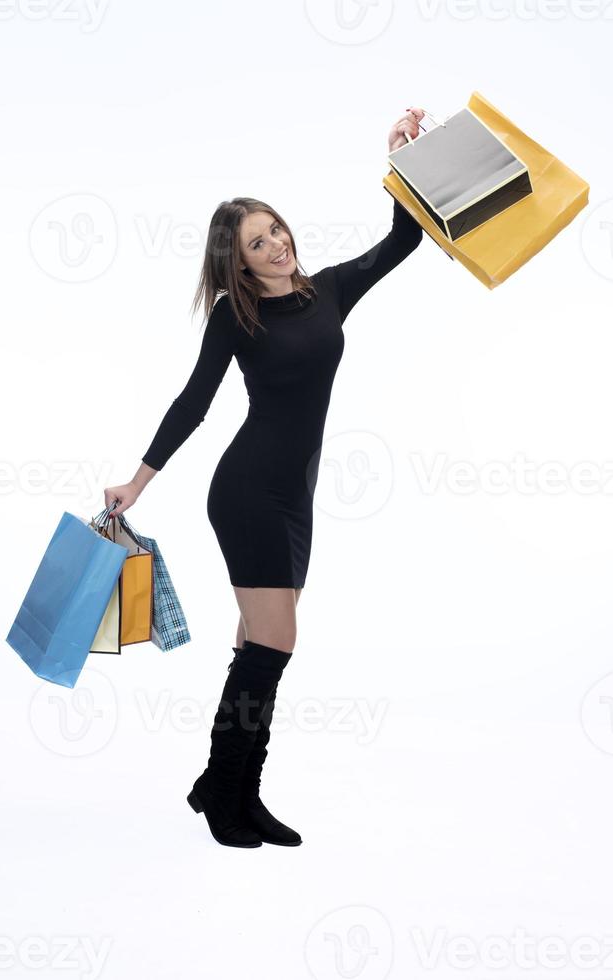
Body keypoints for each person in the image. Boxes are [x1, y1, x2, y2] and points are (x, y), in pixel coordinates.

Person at [104, 107, 426, 849]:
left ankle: (228, 788)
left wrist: (406, 157)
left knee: (256, 639)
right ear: (237, 262)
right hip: (247, 491)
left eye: (275, 229)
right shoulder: (232, 316)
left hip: (295, 495)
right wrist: (138, 482)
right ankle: (228, 792)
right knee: (274, 644)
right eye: (257, 242)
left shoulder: (330, 291)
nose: (275, 244)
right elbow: (193, 401)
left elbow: (404, 237)